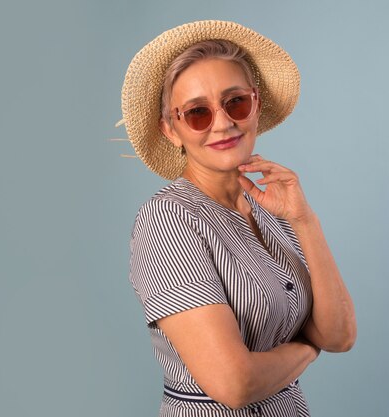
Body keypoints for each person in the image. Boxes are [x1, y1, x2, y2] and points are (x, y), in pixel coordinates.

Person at [120, 20, 357, 417]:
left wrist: (304, 220)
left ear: (256, 104)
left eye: (236, 102)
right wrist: (305, 348)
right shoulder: (168, 220)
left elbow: (340, 334)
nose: (223, 122)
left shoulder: (272, 209)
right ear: (171, 129)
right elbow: (234, 383)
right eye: (198, 113)